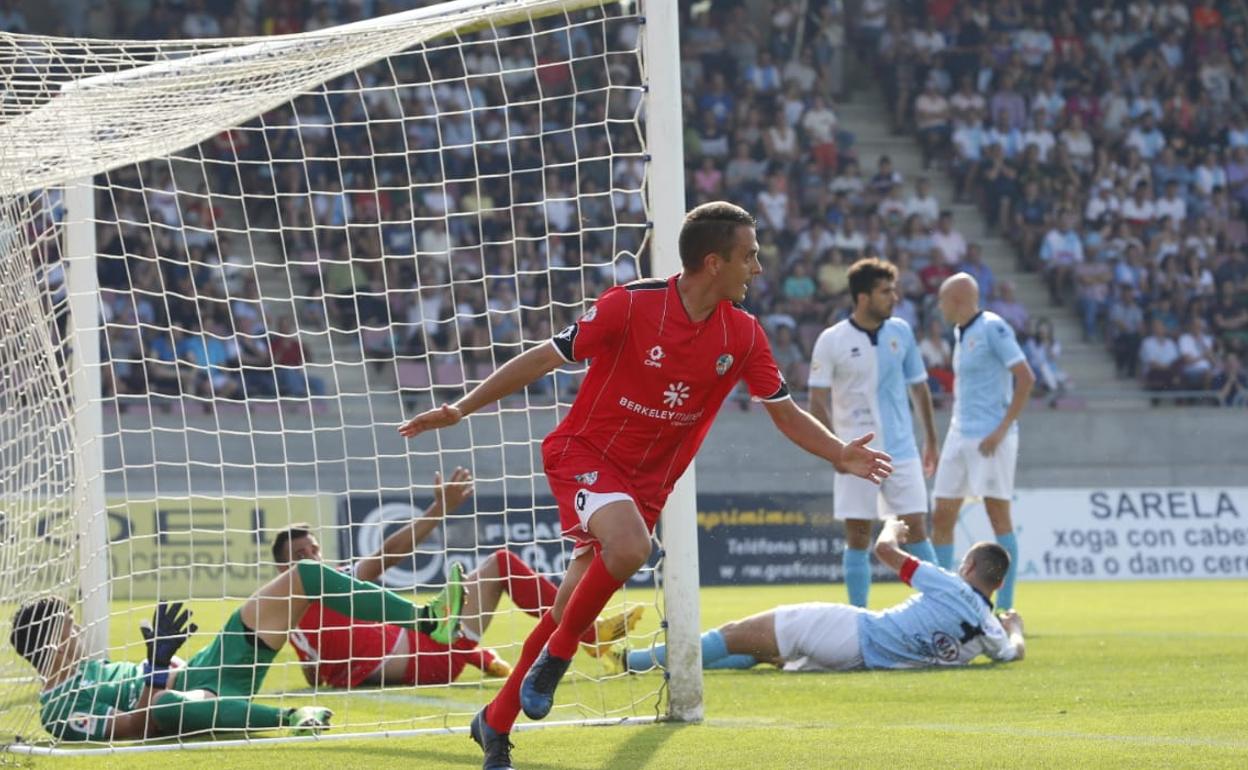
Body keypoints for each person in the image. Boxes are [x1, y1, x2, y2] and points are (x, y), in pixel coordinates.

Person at [397, 201, 892, 770]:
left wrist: (839, 453)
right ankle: (555, 663)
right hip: (583, 454)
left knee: (567, 608)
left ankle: (494, 723)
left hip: (644, 486)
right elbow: (544, 358)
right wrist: (461, 407)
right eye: (749, 256)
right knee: (631, 548)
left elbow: (783, 412)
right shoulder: (630, 305)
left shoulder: (745, 334)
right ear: (714, 262)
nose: (758, 268)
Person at [9, 557, 465, 741]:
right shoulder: (59, 711)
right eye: (69, 626)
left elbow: (173, 672)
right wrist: (155, 670)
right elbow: (138, 724)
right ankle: (291, 717)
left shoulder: (97, 669)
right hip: (197, 701)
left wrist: (165, 661)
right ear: (51, 642)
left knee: (303, 577)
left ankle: (428, 620)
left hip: (214, 663)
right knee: (171, 705)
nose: (78, 631)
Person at [273, 470, 642, 689]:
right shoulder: (289, 608)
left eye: (314, 551)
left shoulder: (322, 593)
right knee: (502, 564)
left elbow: (313, 674)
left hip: (425, 647)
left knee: (494, 569)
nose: (311, 560)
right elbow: (386, 555)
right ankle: (589, 636)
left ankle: (483, 656)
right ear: (281, 570)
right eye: (300, 557)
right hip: (430, 659)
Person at [609, 519, 1024, 674]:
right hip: (860, 660)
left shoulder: (950, 585)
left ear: (967, 569)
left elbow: (883, 552)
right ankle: (657, 662)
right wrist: (1015, 627)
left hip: (853, 631)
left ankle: (632, 661)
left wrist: (892, 528)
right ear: (998, 585)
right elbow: (1013, 652)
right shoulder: (990, 630)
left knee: (733, 632)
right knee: (761, 652)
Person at [807, 258, 939, 608]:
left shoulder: (902, 332)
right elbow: (816, 401)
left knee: (917, 527)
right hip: (857, 454)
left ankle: (940, 609)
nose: (894, 297)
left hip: (902, 449)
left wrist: (931, 439)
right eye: (886, 291)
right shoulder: (832, 339)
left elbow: (919, 387)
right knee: (858, 536)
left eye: (894, 290)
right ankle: (858, 617)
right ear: (863, 297)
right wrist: (836, 449)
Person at [931, 273, 1035, 611]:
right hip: (958, 433)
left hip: (991, 437)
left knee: (998, 517)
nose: (940, 306)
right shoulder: (961, 333)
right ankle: (943, 600)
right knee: (942, 514)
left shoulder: (993, 327)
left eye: (943, 299)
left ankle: (1006, 608)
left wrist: (1002, 429)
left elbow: (1025, 377)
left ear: (958, 299)